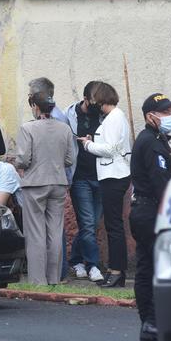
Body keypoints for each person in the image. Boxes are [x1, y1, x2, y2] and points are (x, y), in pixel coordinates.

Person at [130, 92, 171, 341]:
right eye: (165, 112)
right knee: (157, 269)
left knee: (147, 267)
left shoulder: (154, 139)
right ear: (151, 117)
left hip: (144, 210)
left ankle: (149, 324)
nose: (170, 117)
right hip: (151, 212)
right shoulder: (152, 143)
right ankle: (151, 321)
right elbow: (161, 183)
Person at [15, 91, 76, 285]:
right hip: (58, 182)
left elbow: (23, 160)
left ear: (35, 107)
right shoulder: (64, 128)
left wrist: (20, 163)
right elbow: (69, 159)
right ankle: (54, 278)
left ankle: (37, 280)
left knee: (35, 233)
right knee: (55, 232)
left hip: (35, 183)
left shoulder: (27, 128)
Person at [80, 81, 132, 288]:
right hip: (113, 175)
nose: (92, 102)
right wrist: (94, 141)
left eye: (93, 98)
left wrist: (88, 145)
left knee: (114, 226)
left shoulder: (114, 117)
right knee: (112, 225)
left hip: (114, 176)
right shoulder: (113, 117)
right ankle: (114, 269)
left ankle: (117, 271)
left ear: (100, 98)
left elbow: (110, 149)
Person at [64, 81, 105, 283]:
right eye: (95, 102)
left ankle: (76, 260)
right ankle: (93, 265)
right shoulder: (69, 115)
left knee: (92, 223)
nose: (99, 106)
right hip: (80, 177)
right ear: (85, 99)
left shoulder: (105, 116)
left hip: (102, 176)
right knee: (88, 223)